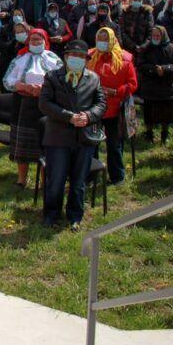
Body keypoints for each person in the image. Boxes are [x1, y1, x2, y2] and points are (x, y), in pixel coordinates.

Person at [38, 40, 107, 229]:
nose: (76, 59)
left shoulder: (93, 78)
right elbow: (44, 104)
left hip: (83, 138)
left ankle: (75, 215)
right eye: (73, 56)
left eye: (81, 57)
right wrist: (69, 117)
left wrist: (88, 115)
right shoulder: (52, 77)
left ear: (86, 59)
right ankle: (52, 214)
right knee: (56, 179)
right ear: (66, 57)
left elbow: (101, 104)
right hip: (58, 136)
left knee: (79, 181)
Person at [3, 28, 63, 187]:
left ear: (45, 41)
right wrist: (24, 86)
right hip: (23, 104)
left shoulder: (54, 59)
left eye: (39, 39)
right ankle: (21, 179)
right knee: (23, 144)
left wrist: (44, 89)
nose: (36, 42)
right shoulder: (20, 59)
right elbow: (7, 81)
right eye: (33, 40)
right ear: (28, 42)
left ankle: (45, 181)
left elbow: (63, 81)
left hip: (46, 106)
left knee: (45, 142)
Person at [87, 27, 138, 185]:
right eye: (99, 38)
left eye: (105, 39)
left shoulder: (125, 59)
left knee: (114, 144)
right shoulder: (89, 56)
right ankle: (90, 176)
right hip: (93, 107)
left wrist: (117, 91)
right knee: (91, 143)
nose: (102, 42)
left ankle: (117, 176)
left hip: (115, 108)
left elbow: (132, 84)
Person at [134, 25, 173, 143]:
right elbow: (140, 64)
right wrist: (154, 69)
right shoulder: (146, 48)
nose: (155, 38)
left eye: (158, 36)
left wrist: (164, 69)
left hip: (167, 86)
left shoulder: (172, 48)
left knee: (167, 113)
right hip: (150, 85)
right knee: (149, 112)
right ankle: (148, 133)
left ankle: (165, 134)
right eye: (153, 35)